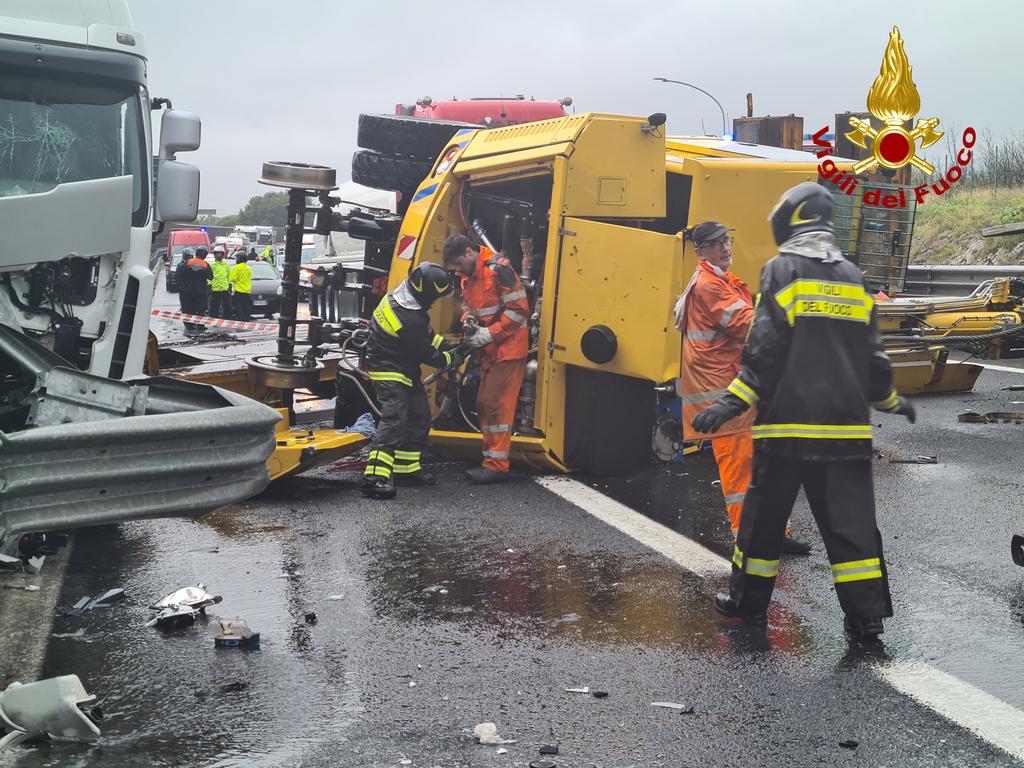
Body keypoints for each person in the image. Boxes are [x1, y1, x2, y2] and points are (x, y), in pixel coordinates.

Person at [692, 182, 916, 640]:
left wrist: (731, 403)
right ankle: (866, 617)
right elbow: (873, 356)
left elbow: (765, 351)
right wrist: (891, 401)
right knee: (852, 527)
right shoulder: (853, 276)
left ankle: (748, 607)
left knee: (763, 523)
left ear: (789, 221)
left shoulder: (781, 270)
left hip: (789, 429)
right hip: (847, 431)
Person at [675, 221, 810, 555]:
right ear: (699, 251)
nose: (725, 248)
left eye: (726, 240)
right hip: (724, 394)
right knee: (741, 474)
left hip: (738, 389)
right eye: (716, 243)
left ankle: (774, 534)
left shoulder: (722, 280)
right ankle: (750, 541)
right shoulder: (709, 285)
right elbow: (746, 324)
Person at [361, 262, 463, 499]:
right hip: (389, 371)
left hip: (401, 366)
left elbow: (426, 337)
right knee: (395, 421)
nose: (437, 301)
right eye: (436, 297)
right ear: (427, 293)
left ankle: (405, 470)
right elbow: (428, 355)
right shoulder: (408, 317)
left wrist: (449, 346)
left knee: (419, 417)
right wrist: (454, 355)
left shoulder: (406, 298)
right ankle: (374, 478)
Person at [442, 234, 530, 484]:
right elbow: (468, 306)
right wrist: (468, 322)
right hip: (491, 350)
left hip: (508, 350)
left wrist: (489, 334)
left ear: (470, 252)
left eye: (458, 264)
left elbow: (519, 310)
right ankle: (492, 460)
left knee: (494, 405)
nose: (457, 271)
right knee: (484, 404)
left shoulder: (497, 271)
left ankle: (496, 465)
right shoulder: (467, 276)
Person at [175, 247, 211, 335]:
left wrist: (183, 286)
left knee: (187, 308)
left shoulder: (186, 263)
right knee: (200, 308)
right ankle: (200, 325)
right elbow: (210, 276)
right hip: (201, 291)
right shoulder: (205, 264)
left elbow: (178, 276)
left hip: (187, 291)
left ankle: (189, 325)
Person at [208, 244, 232, 319]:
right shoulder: (212, 265)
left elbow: (228, 275)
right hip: (215, 288)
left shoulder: (226, 265)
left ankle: (227, 318)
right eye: (217, 254)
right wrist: (209, 285)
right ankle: (214, 318)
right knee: (214, 305)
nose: (218, 255)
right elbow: (209, 276)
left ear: (222, 254)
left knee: (227, 305)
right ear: (214, 255)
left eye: (220, 254)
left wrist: (229, 285)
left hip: (224, 288)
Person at [229, 251, 253, 321]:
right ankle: (246, 318)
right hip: (247, 291)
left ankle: (240, 319)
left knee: (239, 307)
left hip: (239, 291)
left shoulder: (236, 267)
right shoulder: (249, 268)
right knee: (247, 306)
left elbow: (232, 279)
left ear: (240, 259)